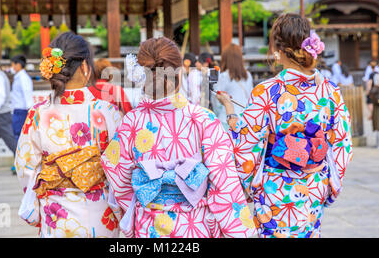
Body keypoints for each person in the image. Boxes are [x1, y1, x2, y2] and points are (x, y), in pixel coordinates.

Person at [101, 37, 256, 238]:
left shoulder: (130, 122)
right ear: (179, 73)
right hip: (195, 227)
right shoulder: (203, 119)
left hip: (149, 226)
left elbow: (117, 175)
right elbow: (224, 183)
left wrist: (140, 203)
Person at [217, 13, 353, 238]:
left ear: (278, 50)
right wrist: (329, 185)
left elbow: (246, 147)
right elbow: (342, 144)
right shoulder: (330, 92)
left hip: (275, 188)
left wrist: (251, 185)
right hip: (314, 185)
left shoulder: (266, 92)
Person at [15, 32, 122, 238]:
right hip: (100, 215)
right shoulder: (108, 112)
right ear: (85, 67)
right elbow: (121, 167)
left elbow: (25, 169)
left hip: (56, 215)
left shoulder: (38, 114)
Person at [211, 44, 253, 129]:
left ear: (225, 59)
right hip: (245, 120)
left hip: (226, 119)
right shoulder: (248, 75)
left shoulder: (223, 76)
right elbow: (251, 98)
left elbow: (216, 100)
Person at [10, 55, 34, 142]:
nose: (12, 67)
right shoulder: (19, 77)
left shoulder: (23, 78)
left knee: (19, 135)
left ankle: (20, 155)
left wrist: (30, 111)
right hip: (19, 110)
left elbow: (27, 94)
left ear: (18, 65)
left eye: (13, 65)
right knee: (18, 135)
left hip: (22, 111)